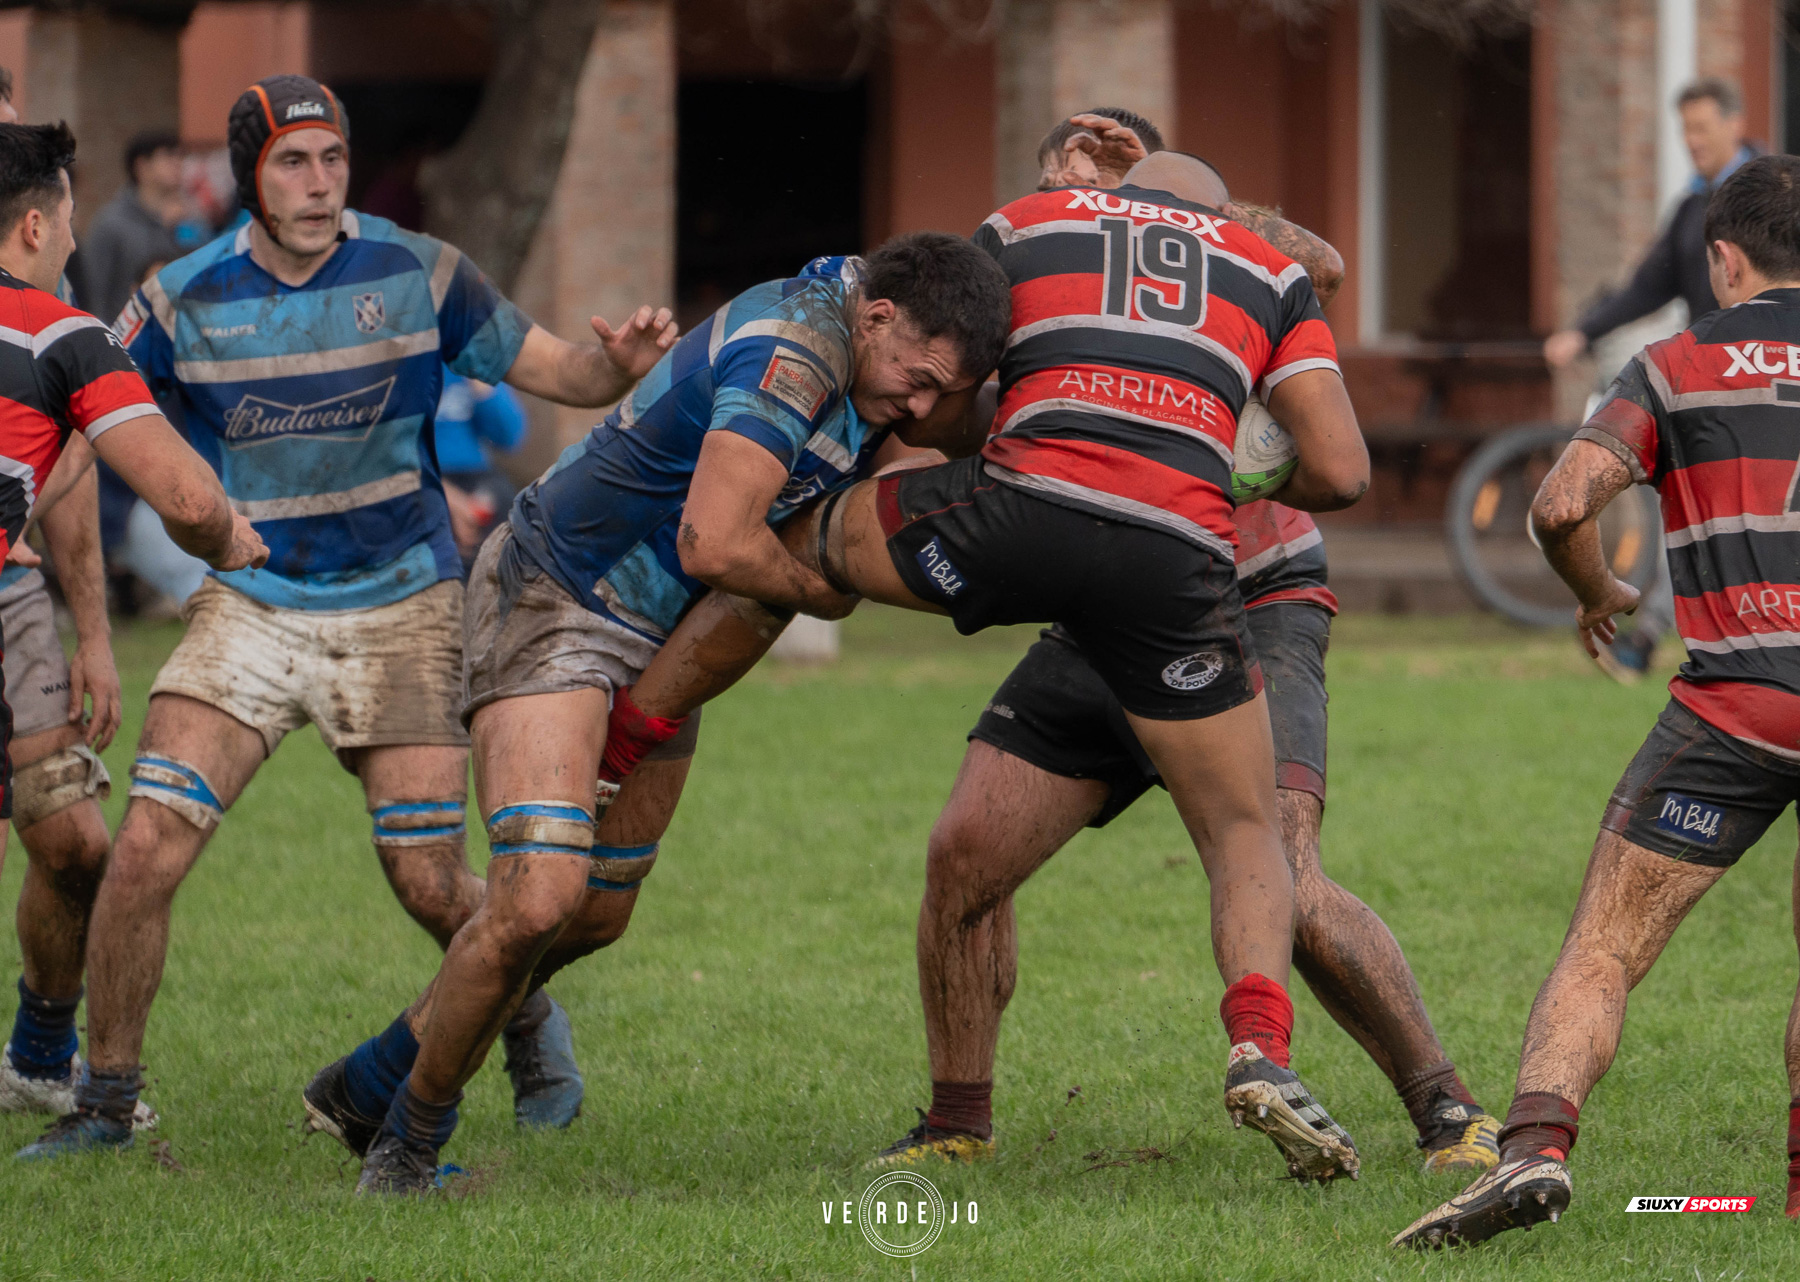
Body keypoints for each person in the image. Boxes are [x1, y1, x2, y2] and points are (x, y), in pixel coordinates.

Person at [625, 150, 1372, 1185]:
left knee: (779, 542)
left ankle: (624, 739)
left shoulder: (1031, 225)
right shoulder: (1271, 272)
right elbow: (1342, 471)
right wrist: (1222, 463)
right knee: (1243, 830)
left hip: (1013, 517)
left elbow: (946, 397)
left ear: (1116, 194)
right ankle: (1259, 1047)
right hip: (1175, 557)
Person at [17, 75, 677, 1161]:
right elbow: (84, 425)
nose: (320, 182)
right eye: (293, 162)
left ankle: (524, 1020)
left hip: (404, 601)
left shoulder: (420, 271)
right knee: (142, 853)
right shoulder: (180, 297)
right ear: (251, 178)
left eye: (333, 158)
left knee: (430, 880)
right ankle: (105, 1106)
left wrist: (618, 366)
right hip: (253, 601)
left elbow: (560, 367)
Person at [848, 115, 1499, 1174]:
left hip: (1256, 595)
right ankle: (958, 1123)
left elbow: (1324, 269)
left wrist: (1186, 203)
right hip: (1104, 600)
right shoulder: (1045, 273)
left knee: (1288, 873)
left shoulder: (1247, 271)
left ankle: (1451, 1113)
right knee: (966, 853)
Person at [305, 231, 1010, 1194]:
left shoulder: (875, 350)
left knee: (595, 916)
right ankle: (405, 1146)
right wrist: (822, 587)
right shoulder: (795, 352)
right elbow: (714, 543)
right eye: (918, 380)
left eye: (943, 390)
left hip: (662, 643)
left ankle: (370, 1080)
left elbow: (954, 427)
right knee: (537, 899)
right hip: (557, 598)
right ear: (878, 317)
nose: (921, 407)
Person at [1394, 154, 1800, 1248]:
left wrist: (1599, 592)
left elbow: (1561, 502)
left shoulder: (1673, 363)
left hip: (1738, 707)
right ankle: (1795, 1198)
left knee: (1606, 945)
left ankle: (1533, 1150)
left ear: (1724, 260)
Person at [0, 122, 266, 1145]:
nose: (74, 236)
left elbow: (60, 471)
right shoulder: (67, 337)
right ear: (36, 225)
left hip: (20, 604)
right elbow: (185, 496)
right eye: (67, 216)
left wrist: (94, 632)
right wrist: (230, 537)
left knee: (74, 841)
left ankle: (37, 1059)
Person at [1542, 77, 1760, 682]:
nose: (1692, 141)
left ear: (1735, 124)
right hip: (1711, 385)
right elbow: (1649, 285)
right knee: (1697, 507)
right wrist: (1581, 332)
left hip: (1768, 383)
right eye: (1685, 129)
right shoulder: (1694, 208)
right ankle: (1657, 634)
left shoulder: (1774, 195)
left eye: (1702, 128)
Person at [73, 131, 186, 328]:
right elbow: (93, 294)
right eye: (168, 156)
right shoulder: (111, 224)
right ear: (142, 166)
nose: (178, 164)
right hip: (120, 336)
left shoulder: (187, 221)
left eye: (180, 156)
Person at [434, 369, 527, 568]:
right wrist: (446, 495)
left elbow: (510, 437)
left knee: (504, 502)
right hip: (422, 474)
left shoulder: (467, 365)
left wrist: (481, 383)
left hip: (475, 477)